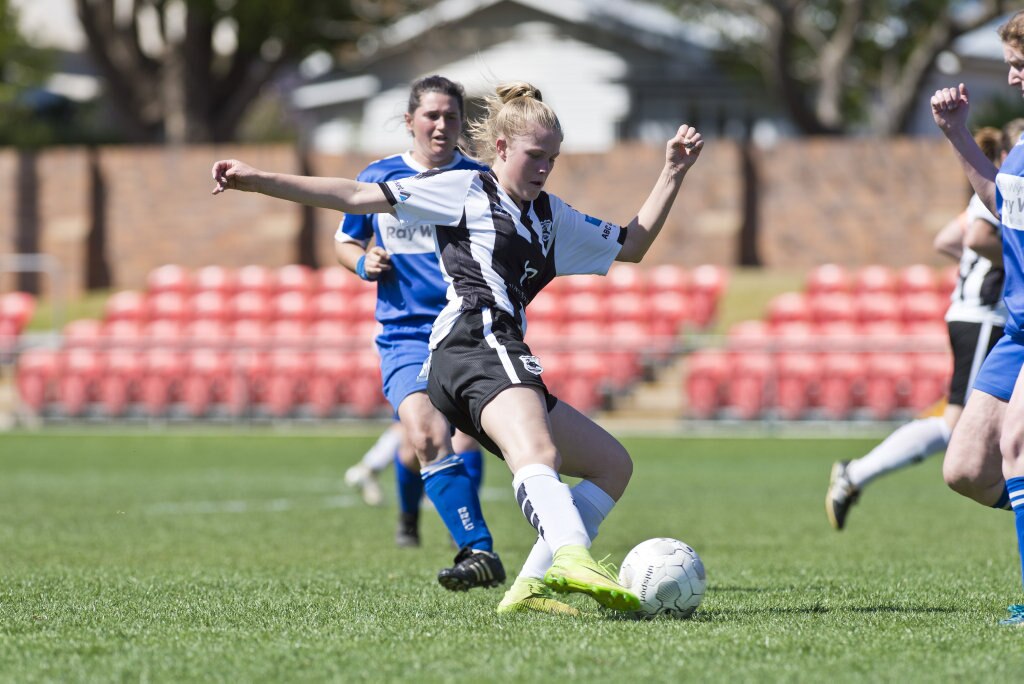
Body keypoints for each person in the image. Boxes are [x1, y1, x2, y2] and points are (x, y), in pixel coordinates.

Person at [211, 81, 704, 615]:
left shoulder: (550, 215)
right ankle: (570, 556)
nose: (543, 168)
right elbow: (354, 196)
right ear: (500, 149)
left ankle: (533, 585)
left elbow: (632, 245)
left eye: (552, 158)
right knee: (538, 455)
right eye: (534, 156)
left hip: (495, 348)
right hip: (472, 341)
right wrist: (256, 180)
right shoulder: (464, 188)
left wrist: (673, 171)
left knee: (611, 465)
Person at [334, 76, 488, 554]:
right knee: (420, 433)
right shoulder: (379, 176)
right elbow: (344, 241)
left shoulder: (481, 178)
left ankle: (466, 537)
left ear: (463, 123)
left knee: (468, 441)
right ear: (410, 121)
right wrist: (363, 262)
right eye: (432, 115)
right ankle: (413, 521)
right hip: (406, 332)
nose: (442, 125)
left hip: (468, 330)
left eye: (451, 117)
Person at [825, 126, 1007, 530]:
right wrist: (1009, 262)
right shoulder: (1006, 184)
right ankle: (856, 474)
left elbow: (947, 239)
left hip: (975, 316)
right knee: (959, 425)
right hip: (983, 317)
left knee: (967, 423)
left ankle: (856, 474)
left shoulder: (998, 186)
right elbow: (977, 238)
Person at [929, 9, 1024, 627]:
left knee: (1018, 445)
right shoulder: (1023, 152)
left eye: (1021, 64)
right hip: (1017, 330)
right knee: (967, 469)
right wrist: (958, 133)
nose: (1013, 78)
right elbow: (998, 201)